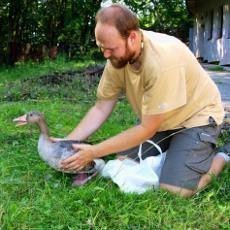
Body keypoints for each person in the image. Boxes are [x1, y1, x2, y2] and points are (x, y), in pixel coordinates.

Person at [58, 4, 229, 197]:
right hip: (163, 120)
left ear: (132, 37)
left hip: (197, 118)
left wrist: (94, 151)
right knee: (123, 160)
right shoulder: (116, 58)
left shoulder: (161, 62)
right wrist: (67, 142)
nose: (105, 55)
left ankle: (222, 156)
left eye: (110, 48)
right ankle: (177, 151)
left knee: (176, 191)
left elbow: (147, 128)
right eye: (101, 47)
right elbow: (100, 108)